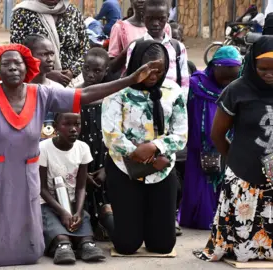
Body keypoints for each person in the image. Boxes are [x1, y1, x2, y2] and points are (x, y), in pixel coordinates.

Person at [0, 39, 160, 266]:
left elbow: (83, 95)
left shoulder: (41, 93)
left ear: (27, 67)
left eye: (18, 63)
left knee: (27, 253)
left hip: (26, 173)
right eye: (6, 64)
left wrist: (129, 79)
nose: (13, 67)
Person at [102, 40, 187, 255]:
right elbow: (111, 134)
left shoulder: (173, 91)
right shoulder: (118, 90)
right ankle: (107, 216)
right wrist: (134, 152)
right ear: (136, 64)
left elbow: (180, 134)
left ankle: (148, 225)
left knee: (162, 245)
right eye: (147, 69)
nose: (152, 75)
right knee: (127, 245)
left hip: (161, 166)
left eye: (158, 70)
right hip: (125, 167)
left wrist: (155, 147)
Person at [193, 36, 273, 262]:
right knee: (242, 221)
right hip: (243, 171)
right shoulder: (237, 90)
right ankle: (242, 249)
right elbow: (217, 134)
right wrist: (235, 162)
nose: (269, 74)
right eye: (263, 69)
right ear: (252, 65)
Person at [179, 46, 241, 230]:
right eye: (224, 77)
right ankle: (197, 219)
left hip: (227, 144)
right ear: (213, 68)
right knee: (199, 183)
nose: (228, 82)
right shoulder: (195, 85)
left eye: (233, 77)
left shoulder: (239, 89)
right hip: (199, 145)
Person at [39, 112, 105, 265]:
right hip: (47, 203)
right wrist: (62, 211)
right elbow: (41, 188)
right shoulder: (43, 148)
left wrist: (79, 211)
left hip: (72, 201)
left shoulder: (82, 148)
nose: (73, 129)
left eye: (77, 124)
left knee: (83, 224)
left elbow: (81, 186)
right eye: (67, 124)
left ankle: (85, 244)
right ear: (55, 127)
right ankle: (62, 244)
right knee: (55, 228)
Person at [76, 48, 114, 241]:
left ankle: (104, 223)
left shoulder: (111, 99)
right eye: (87, 68)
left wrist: (107, 168)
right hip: (79, 160)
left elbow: (116, 138)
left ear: (106, 71)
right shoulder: (73, 96)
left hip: (104, 159)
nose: (90, 74)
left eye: (97, 70)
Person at [10, 0, 89, 87]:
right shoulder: (22, 13)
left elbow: (85, 48)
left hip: (73, 81)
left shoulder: (72, 12)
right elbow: (17, 52)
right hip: (36, 82)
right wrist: (45, 74)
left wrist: (72, 72)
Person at [124, 0, 189, 99]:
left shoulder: (178, 47)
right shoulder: (135, 47)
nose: (155, 23)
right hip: (143, 104)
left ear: (167, 17)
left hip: (171, 104)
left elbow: (184, 81)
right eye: (150, 19)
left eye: (161, 19)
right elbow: (132, 78)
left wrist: (181, 103)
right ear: (143, 17)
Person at [24, 34, 64, 140]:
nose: (50, 59)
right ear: (29, 56)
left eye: (52, 54)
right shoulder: (18, 89)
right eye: (44, 54)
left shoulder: (58, 89)